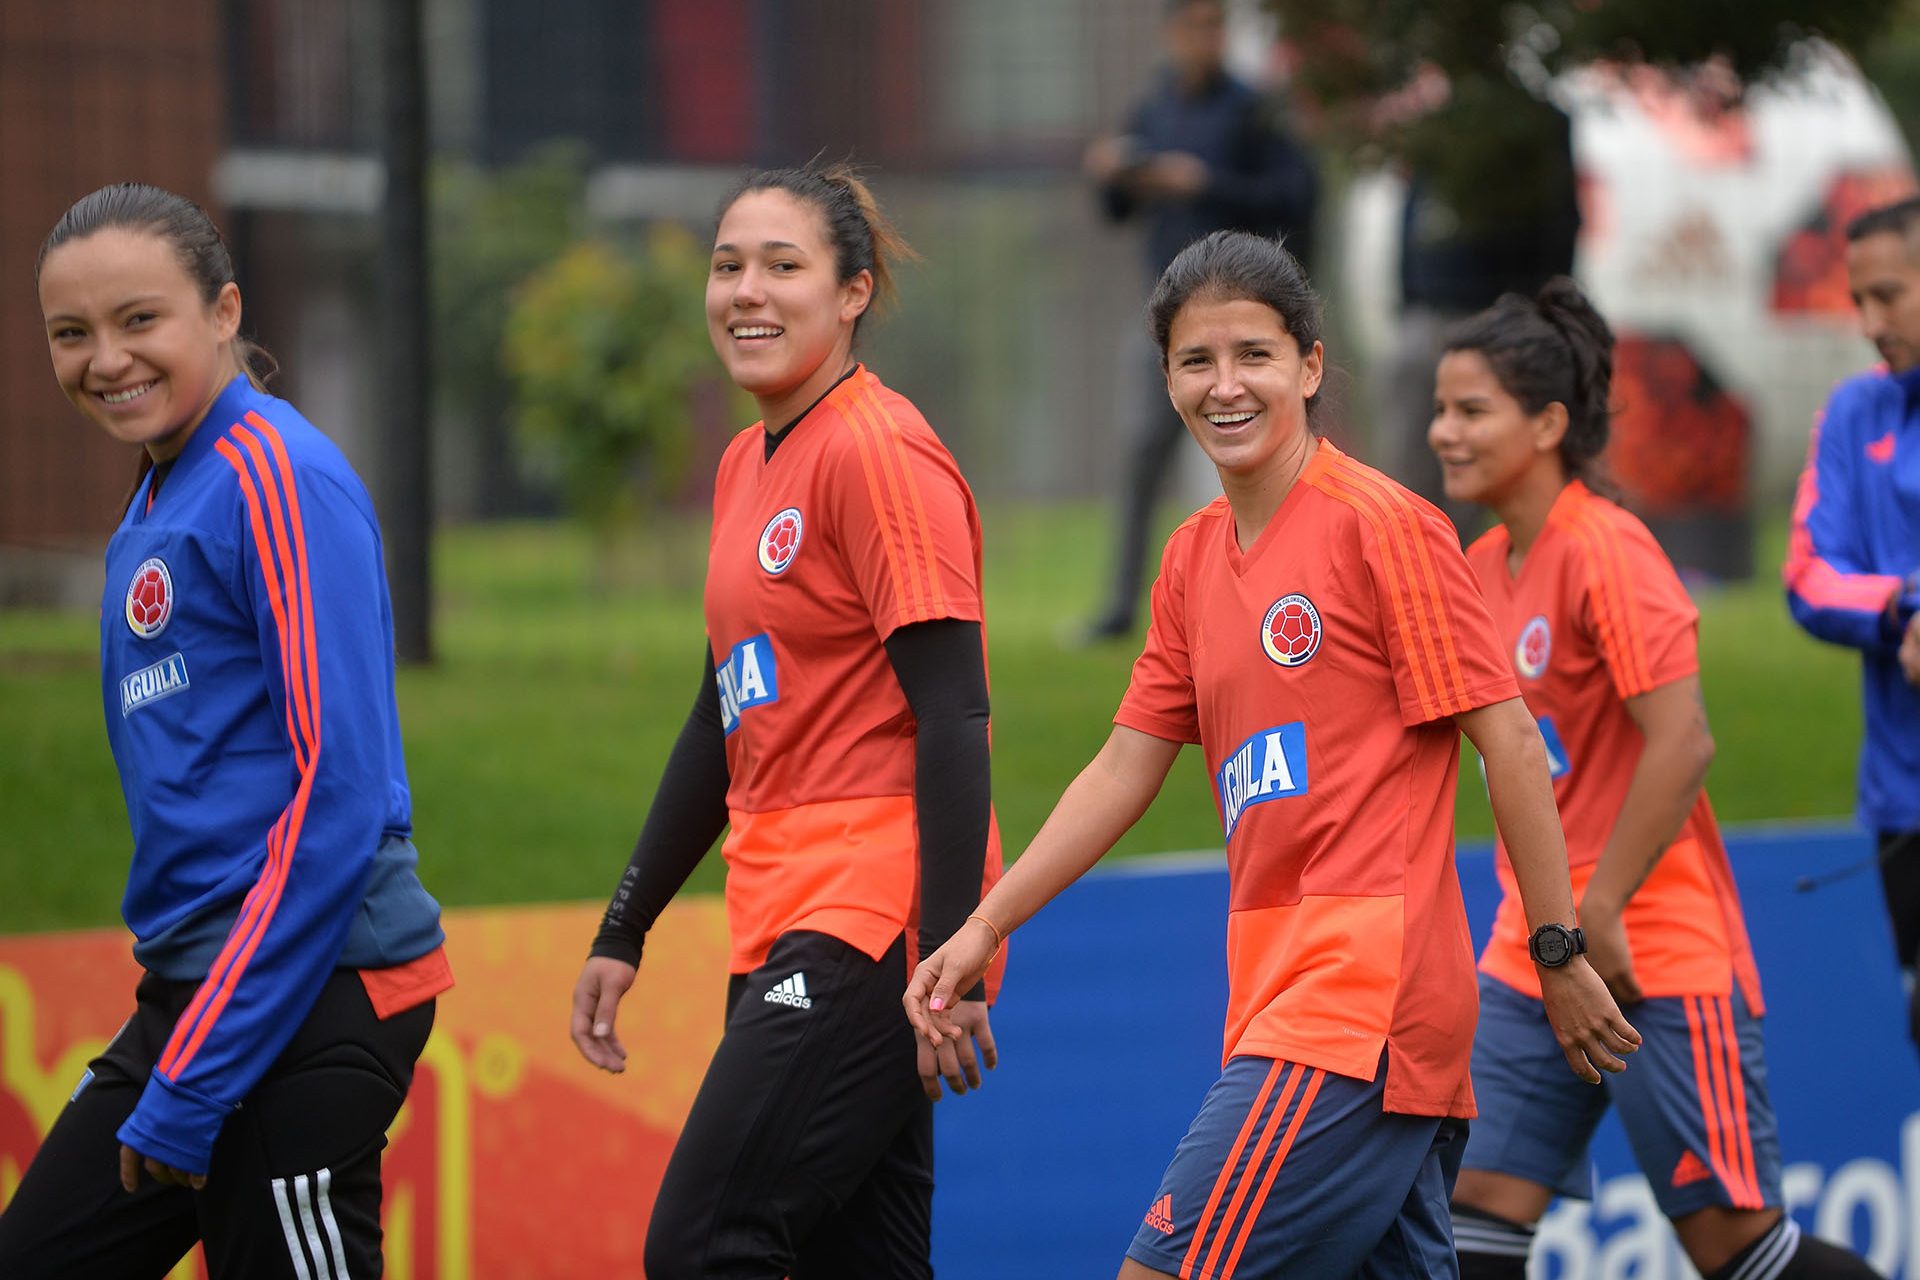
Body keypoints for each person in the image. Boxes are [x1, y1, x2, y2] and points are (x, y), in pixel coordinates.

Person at [908, 230, 1637, 1280]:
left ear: (1309, 365)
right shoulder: (1193, 557)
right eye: (1196, 360)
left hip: (1354, 1012)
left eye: (1253, 353)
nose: (1226, 384)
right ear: (1165, 378)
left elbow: (1509, 737)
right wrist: (984, 925)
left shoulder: (1381, 527)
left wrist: (1557, 954)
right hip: (1281, 998)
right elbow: (1124, 764)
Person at [0, 184, 451, 1279]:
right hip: (198, 999)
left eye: (138, 319)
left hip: (306, 998)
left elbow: (339, 794)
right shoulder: (163, 492)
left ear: (223, 310)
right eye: (73, 333)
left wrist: (198, 1075)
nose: (106, 359)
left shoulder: (275, 475)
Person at [568, 162, 1004, 1280]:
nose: (746, 292)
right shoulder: (743, 461)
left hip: (874, 912)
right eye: (727, 267)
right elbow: (726, 707)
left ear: (853, 291)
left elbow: (955, 712)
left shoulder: (878, 448)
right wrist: (628, 921)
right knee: (859, 1257)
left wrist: (949, 954)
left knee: (707, 1240)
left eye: (782, 266)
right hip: (777, 903)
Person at [1433, 278, 1880, 1280]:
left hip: (1651, 939)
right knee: (1472, 1217)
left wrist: (1598, 904)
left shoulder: (1608, 549)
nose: (1443, 432)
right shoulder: (1483, 561)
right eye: (1441, 409)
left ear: (1549, 421)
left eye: (1470, 410)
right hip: (1532, 944)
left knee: (1737, 1248)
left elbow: (1683, 743)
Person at [1082, 0, 1318, 640]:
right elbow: (1115, 209)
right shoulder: (1155, 108)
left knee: (1274, 456)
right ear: (1170, 34)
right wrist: (1111, 172)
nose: (1205, 37)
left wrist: (1204, 184)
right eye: (1194, 25)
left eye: (1216, 25)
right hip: (1167, 319)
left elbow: (1298, 199)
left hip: (1246, 317)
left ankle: (1287, 590)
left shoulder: (1254, 109)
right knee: (1141, 455)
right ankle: (1122, 606)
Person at [1785, 195, 1920, 1053]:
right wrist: (1902, 609)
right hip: (1903, 802)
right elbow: (1807, 576)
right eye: (1858, 298)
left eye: (1890, 295)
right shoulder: (1851, 412)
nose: (1867, 321)